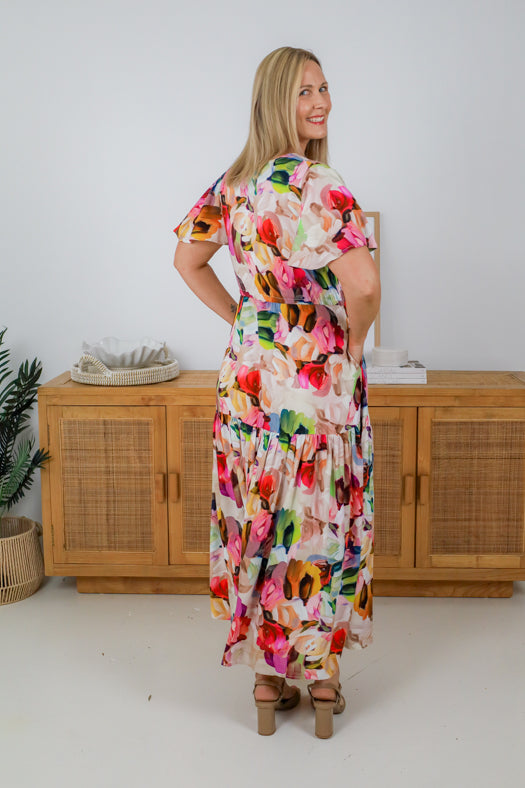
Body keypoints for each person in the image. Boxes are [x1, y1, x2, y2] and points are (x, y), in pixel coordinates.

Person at [173, 46, 380, 739]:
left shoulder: (233, 184)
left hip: (248, 384)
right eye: (303, 93)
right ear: (273, 102)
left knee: (260, 516)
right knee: (316, 521)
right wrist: (351, 341)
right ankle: (320, 679)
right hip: (315, 384)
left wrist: (244, 316)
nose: (319, 102)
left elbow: (186, 259)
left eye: (323, 88)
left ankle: (267, 682)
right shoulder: (320, 184)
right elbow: (365, 285)